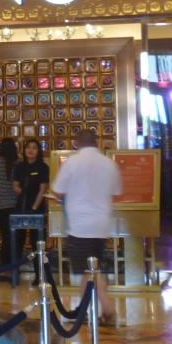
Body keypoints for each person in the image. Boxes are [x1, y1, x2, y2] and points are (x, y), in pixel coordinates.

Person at [51, 129, 122, 325]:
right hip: (101, 223)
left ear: (77, 143)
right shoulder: (109, 163)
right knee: (88, 269)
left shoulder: (72, 163)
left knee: (90, 270)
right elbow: (116, 193)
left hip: (80, 225)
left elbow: (57, 192)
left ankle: (108, 309)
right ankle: (82, 311)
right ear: (96, 142)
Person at [12, 139, 50, 259]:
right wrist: (19, 190)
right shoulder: (20, 166)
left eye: (34, 148)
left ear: (38, 151)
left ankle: (40, 271)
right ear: (24, 150)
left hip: (36, 209)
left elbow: (42, 190)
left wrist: (34, 208)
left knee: (37, 243)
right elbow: (15, 185)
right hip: (21, 208)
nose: (30, 150)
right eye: (28, 147)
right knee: (18, 242)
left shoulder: (43, 167)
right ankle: (15, 269)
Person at [0, 138, 18, 271]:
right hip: (11, 204)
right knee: (11, 237)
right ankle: (10, 266)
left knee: (5, 236)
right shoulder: (17, 163)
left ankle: (5, 265)